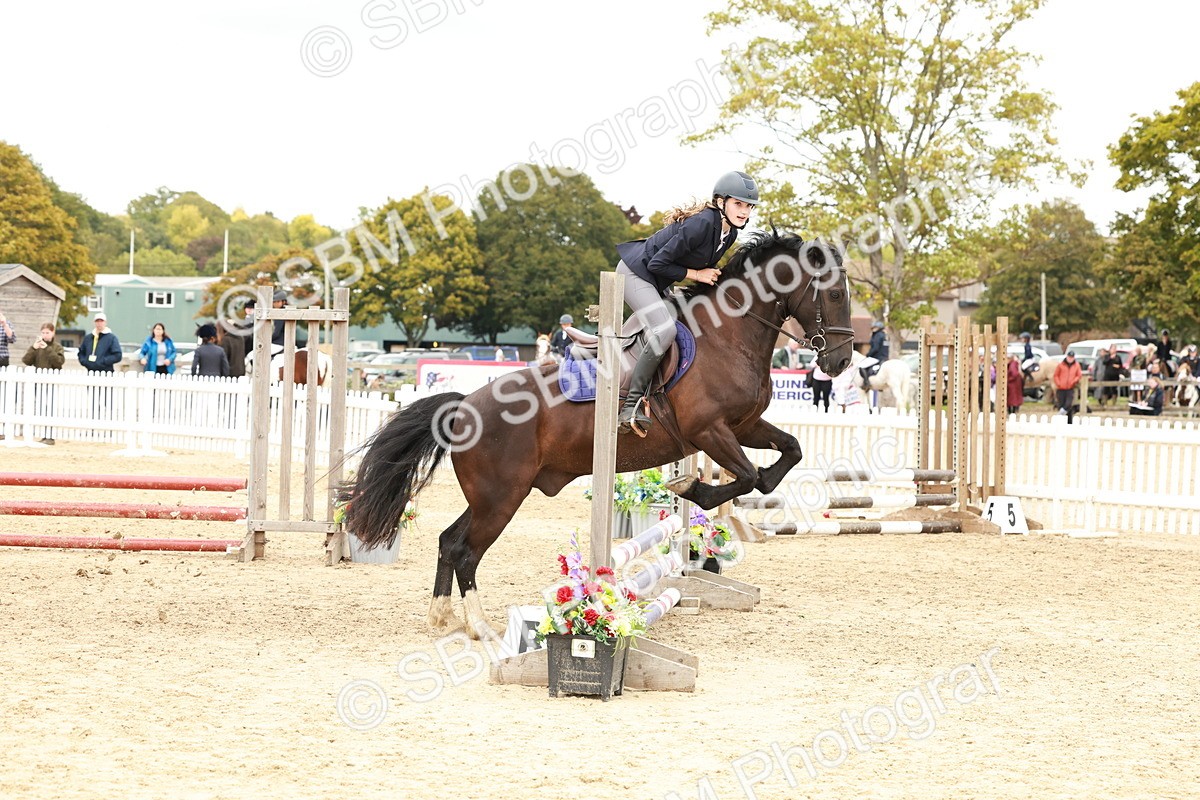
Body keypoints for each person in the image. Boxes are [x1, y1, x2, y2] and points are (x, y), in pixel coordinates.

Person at [612, 170, 757, 434]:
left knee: (686, 323)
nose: (744, 211)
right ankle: (630, 406)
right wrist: (699, 274)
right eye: (738, 203)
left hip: (658, 280)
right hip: (636, 273)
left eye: (748, 206)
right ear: (721, 202)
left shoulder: (730, 234)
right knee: (664, 329)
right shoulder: (702, 223)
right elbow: (658, 263)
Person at [22, 323, 65, 445]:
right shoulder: (37, 347)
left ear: (53, 333)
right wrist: (33, 348)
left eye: (47, 332)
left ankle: (50, 436)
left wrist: (47, 348)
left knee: (50, 409)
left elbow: (59, 362)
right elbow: (26, 361)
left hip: (51, 382)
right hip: (38, 382)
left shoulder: (57, 347)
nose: (45, 335)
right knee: (41, 408)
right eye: (43, 333)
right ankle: (44, 435)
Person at [1052, 350, 1082, 423]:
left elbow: (1079, 375)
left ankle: (1068, 420)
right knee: (1061, 404)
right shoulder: (1061, 365)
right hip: (1061, 388)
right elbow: (1056, 375)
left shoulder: (1076, 365)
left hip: (1070, 388)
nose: (1070, 359)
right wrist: (1058, 383)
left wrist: (1074, 381)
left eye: (1072, 357)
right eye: (1069, 357)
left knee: (1068, 404)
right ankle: (1062, 421)